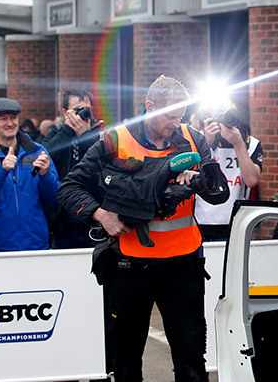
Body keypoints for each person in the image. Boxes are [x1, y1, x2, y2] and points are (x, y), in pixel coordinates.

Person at [57, 75, 229, 382]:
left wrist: (200, 181)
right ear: (150, 107)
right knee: (125, 360)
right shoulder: (115, 140)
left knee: (191, 359)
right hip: (129, 266)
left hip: (182, 265)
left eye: (181, 116)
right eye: (170, 116)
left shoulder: (192, 138)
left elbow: (217, 193)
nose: (176, 124)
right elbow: (69, 187)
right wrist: (101, 215)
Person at [0, 98, 60, 252]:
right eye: (3, 119)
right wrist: (2, 169)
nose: (10, 123)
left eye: (13, 118)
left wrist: (45, 174)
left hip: (36, 246)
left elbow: (55, 199)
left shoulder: (38, 151)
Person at [43, 88, 103, 248]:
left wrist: (85, 136)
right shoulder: (56, 134)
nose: (83, 114)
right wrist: (68, 131)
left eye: (87, 109)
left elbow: (104, 162)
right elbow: (47, 156)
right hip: (63, 220)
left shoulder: (100, 134)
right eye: (78, 110)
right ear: (65, 112)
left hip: (94, 218)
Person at [197, 102, 262, 240]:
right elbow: (188, 173)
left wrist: (238, 144)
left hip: (235, 221)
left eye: (228, 110)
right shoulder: (198, 138)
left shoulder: (251, 143)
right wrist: (205, 144)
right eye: (221, 110)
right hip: (201, 220)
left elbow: (251, 180)